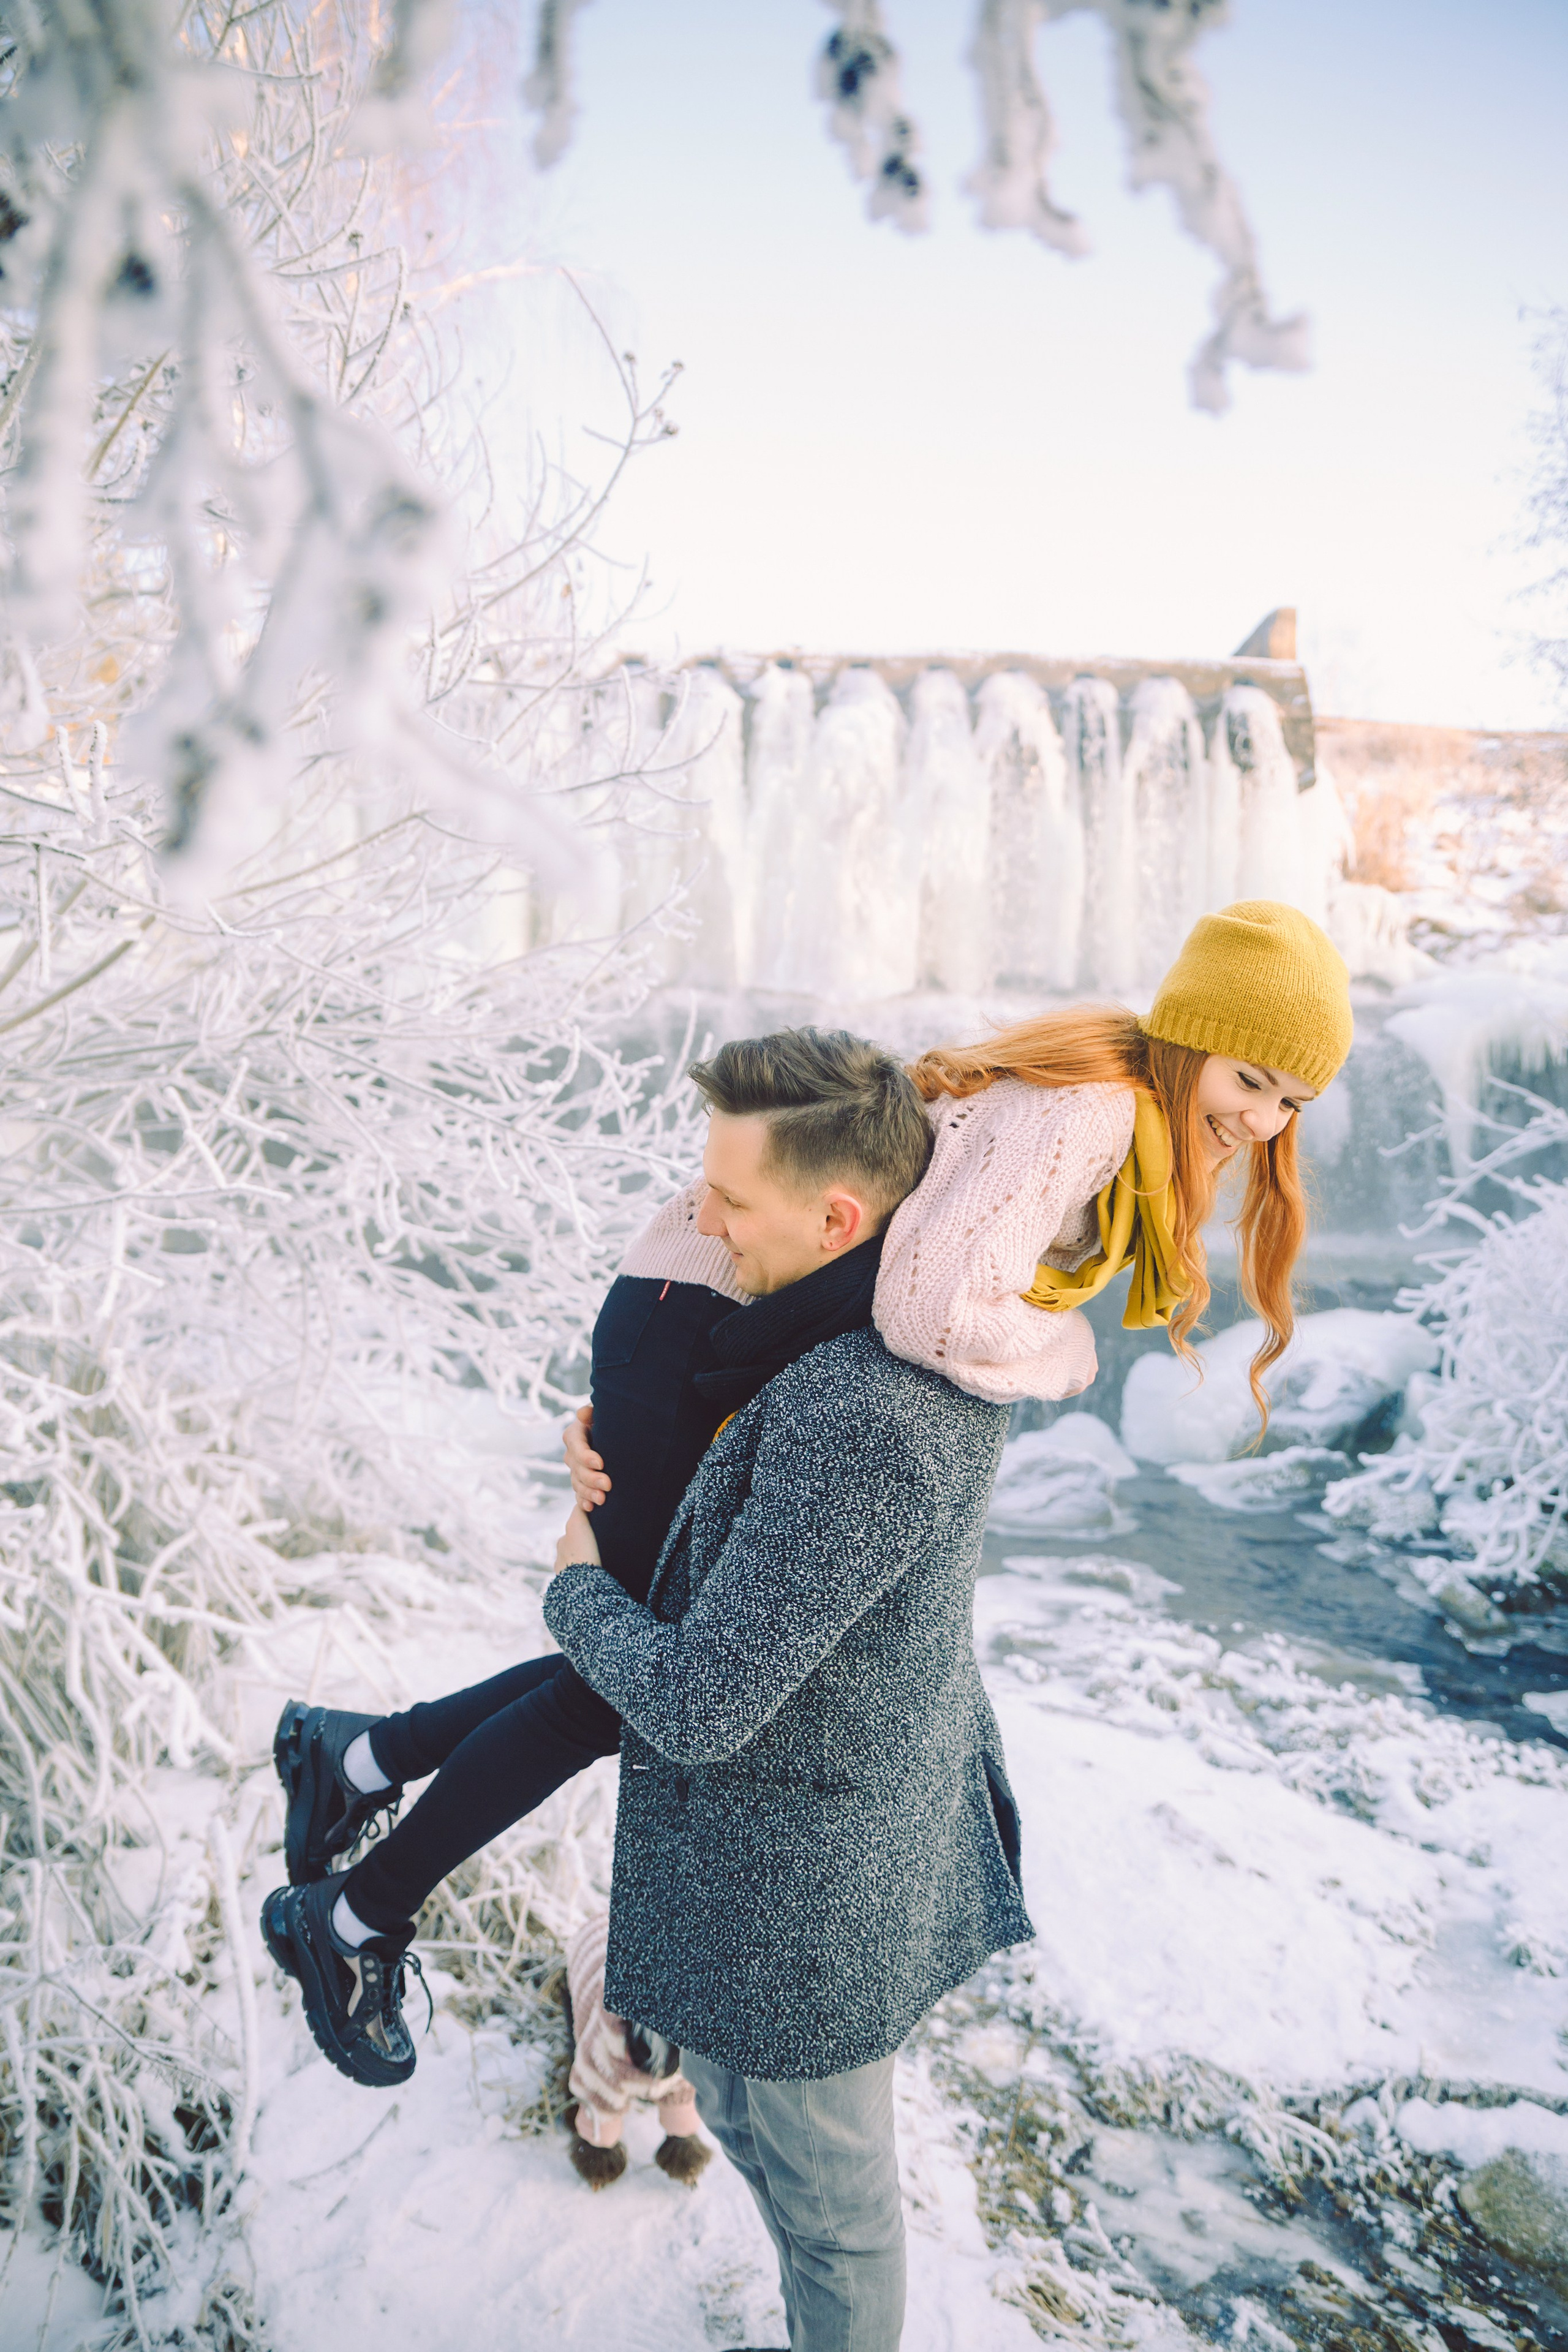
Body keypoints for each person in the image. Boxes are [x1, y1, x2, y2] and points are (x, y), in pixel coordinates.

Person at [260, 900, 1353, 2094]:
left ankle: (355, 1761)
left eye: (1290, 1101)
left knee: (632, 1669)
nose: (1260, 1120)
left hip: (716, 1318)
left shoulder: (1114, 1095)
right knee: (621, 1687)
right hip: (705, 1310)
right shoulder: (1094, 1116)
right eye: (1250, 1078)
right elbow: (928, 1309)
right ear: (1191, 1035)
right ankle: (353, 1915)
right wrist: (1069, 1357)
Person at [541, 1028, 1033, 2352]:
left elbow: (699, 1700)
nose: (700, 1224)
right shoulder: (840, 1330)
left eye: (729, 1203)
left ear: (834, 1217)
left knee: (837, 2217)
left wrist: (574, 1581)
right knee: (754, 2125)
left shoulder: (863, 1409)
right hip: (786, 1849)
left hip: (810, 1896)